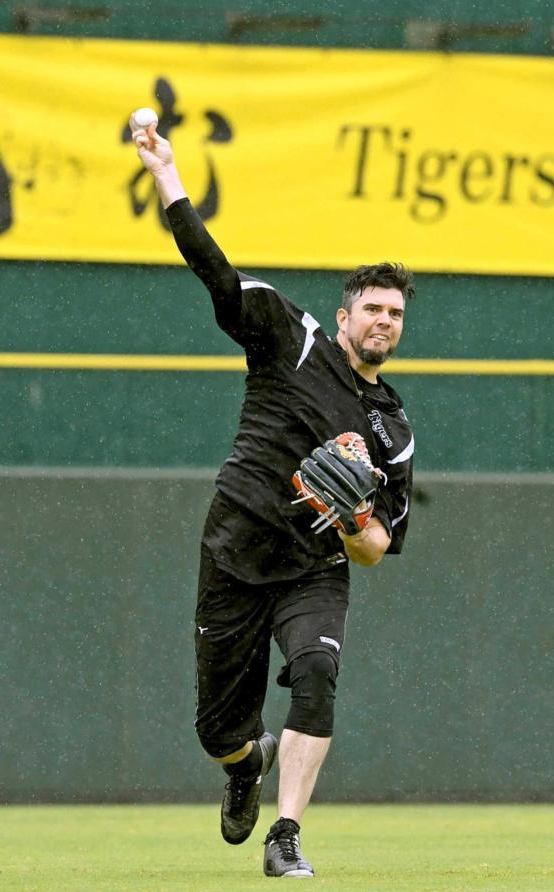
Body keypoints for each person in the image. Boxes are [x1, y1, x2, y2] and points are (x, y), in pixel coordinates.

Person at [129, 116, 415, 878]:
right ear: (346, 312)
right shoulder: (291, 337)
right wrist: (168, 178)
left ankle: (285, 834)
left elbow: (378, 549)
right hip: (235, 544)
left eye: (396, 314)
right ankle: (239, 764)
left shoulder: (390, 430)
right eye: (373, 309)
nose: (383, 321)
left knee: (318, 674)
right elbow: (216, 275)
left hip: (312, 568)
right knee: (217, 727)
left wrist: (354, 514)